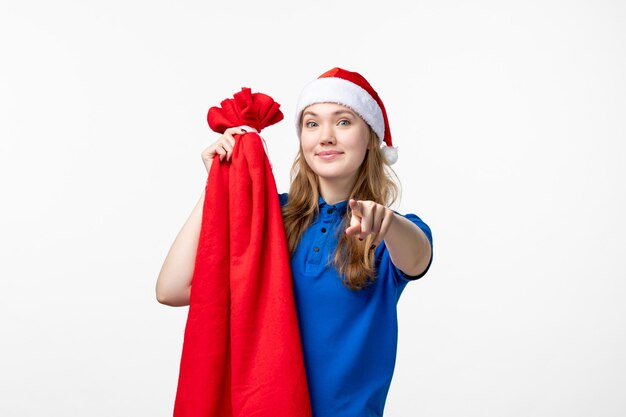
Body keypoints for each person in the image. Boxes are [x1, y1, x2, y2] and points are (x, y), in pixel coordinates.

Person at [156, 67, 434, 416]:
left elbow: (417, 257)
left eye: (344, 122)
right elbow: (171, 289)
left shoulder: (392, 231)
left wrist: (388, 224)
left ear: (370, 138)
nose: (326, 136)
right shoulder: (269, 217)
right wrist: (216, 187)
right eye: (312, 123)